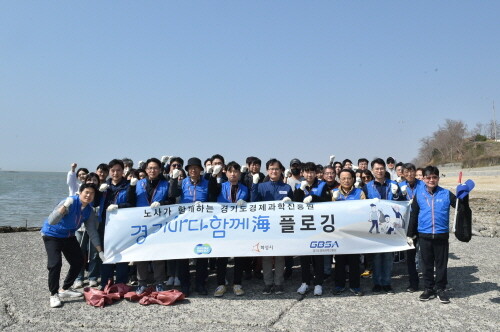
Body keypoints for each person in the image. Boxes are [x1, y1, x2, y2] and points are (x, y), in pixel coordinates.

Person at [407, 166, 469, 304]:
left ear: (438, 178)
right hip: (424, 235)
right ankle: (428, 288)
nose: (431, 180)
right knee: (426, 265)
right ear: (423, 179)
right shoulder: (419, 195)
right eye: (428, 177)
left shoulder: (446, 194)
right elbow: (414, 215)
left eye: (434, 177)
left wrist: (463, 195)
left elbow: (460, 208)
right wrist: (410, 234)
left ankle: (441, 288)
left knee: (441, 265)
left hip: (441, 235)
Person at [41, 183, 104, 308]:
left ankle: (64, 289)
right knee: (55, 264)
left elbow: (92, 231)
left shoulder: (88, 211)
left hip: (68, 236)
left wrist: (100, 251)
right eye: (86, 192)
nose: (89, 195)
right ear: (80, 193)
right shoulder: (69, 201)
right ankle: (53, 294)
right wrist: (64, 206)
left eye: (92, 193)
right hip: (52, 235)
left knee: (79, 262)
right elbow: (52, 220)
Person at [128, 157, 180, 294]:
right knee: (141, 254)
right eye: (150, 168)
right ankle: (142, 283)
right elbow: (131, 202)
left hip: (159, 223)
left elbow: (171, 200)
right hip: (141, 223)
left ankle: (159, 282)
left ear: (160, 170)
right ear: (145, 170)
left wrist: (161, 204)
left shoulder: (165, 183)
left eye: (155, 168)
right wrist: (131, 187)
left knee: (158, 254)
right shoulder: (138, 184)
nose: (153, 170)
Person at [251, 158, 293, 295]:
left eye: (276, 169)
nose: (274, 171)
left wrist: (289, 202)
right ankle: (268, 283)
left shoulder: (287, 188)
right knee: (267, 256)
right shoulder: (262, 186)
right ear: (267, 171)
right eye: (271, 169)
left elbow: (293, 207)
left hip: (281, 226)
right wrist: (254, 184)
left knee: (280, 256)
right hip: (266, 226)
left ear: (281, 171)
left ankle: (279, 283)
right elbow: (253, 202)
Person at [208, 161, 249, 297]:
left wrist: (246, 203)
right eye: (230, 171)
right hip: (223, 226)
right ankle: (221, 284)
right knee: (222, 256)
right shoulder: (221, 186)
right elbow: (211, 191)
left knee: (239, 257)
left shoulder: (245, 188)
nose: (233, 174)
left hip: (239, 227)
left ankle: (237, 284)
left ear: (239, 173)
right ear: (225, 172)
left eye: (236, 171)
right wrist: (213, 176)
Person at [362, 158, 403, 294]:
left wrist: (397, 194)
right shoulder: (367, 187)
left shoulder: (393, 184)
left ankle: (386, 283)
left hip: (390, 225)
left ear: (385, 169)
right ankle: (377, 283)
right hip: (374, 226)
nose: (379, 171)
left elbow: (402, 204)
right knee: (376, 256)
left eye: (381, 168)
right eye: (377, 169)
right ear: (372, 171)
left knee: (388, 256)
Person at [293, 162, 329, 296]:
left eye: (312, 172)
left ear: (316, 173)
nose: (309, 174)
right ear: (303, 173)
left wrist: (314, 197)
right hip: (303, 226)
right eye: (307, 172)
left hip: (318, 225)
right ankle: (305, 282)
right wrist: (300, 190)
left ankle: (318, 283)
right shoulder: (298, 185)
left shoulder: (322, 185)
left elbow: (327, 201)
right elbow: (295, 203)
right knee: (305, 256)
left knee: (318, 256)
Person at [178, 157, 212, 296]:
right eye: (190, 168)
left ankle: (200, 284)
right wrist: (174, 181)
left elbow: (212, 200)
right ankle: (185, 285)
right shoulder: (182, 183)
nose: (193, 170)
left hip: (202, 224)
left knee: (202, 253)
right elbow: (172, 195)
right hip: (184, 224)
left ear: (200, 170)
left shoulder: (207, 183)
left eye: (196, 168)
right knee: (183, 255)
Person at [98, 159, 132, 289]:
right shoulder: (105, 185)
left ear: (123, 171)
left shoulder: (128, 185)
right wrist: (99, 192)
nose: (115, 173)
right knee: (106, 253)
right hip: (105, 224)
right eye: (113, 170)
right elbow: (94, 203)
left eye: (118, 170)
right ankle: (105, 282)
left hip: (122, 225)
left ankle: (121, 283)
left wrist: (118, 206)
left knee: (122, 252)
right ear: (109, 172)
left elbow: (131, 203)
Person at [331, 168, 366, 296]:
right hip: (339, 232)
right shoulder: (333, 192)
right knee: (339, 260)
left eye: (348, 178)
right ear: (339, 180)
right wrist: (333, 200)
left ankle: (355, 286)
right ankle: (339, 285)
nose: (346, 180)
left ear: (353, 179)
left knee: (354, 261)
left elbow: (364, 210)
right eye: (343, 178)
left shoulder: (360, 193)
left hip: (354, 232)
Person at [399, 163, 424, 292]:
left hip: (423, 223)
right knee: (410, 256)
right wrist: (399, 195)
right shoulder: (399, 186)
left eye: (412, 171)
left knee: (425, 255)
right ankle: (413, 283)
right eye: (406, 172)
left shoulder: (423, 185)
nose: (409, 174)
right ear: (402, 173)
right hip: (408, 225)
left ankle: (429, 283)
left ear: (415, 172)